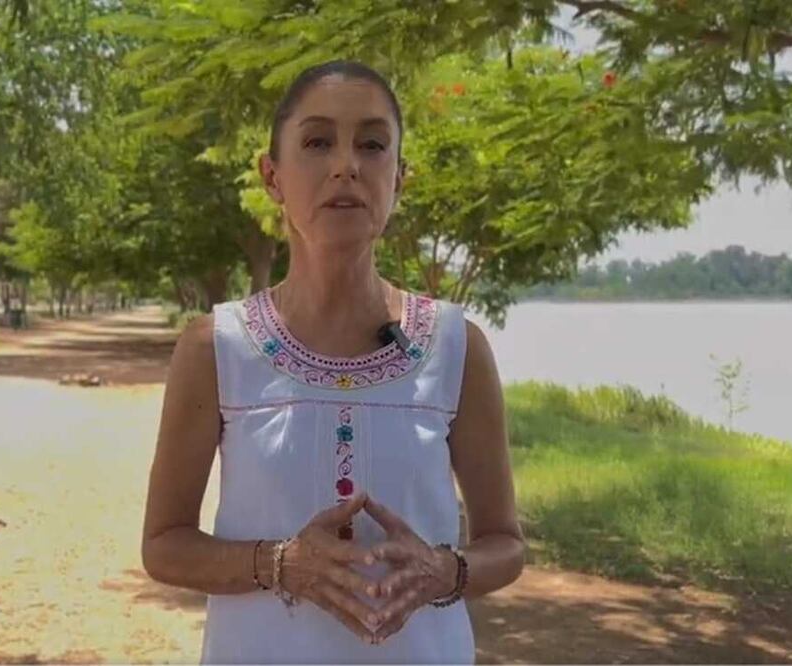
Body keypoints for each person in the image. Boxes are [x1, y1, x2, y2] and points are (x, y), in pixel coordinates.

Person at [141, 60, 526, 664]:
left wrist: (441, 571)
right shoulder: (214, 347)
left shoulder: (457, 347)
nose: (346, 164)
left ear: (399, 177)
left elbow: (505, 544)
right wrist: (281, 565)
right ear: (273, 176)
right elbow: (164, 545)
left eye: (372, 145)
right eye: (318, 141)